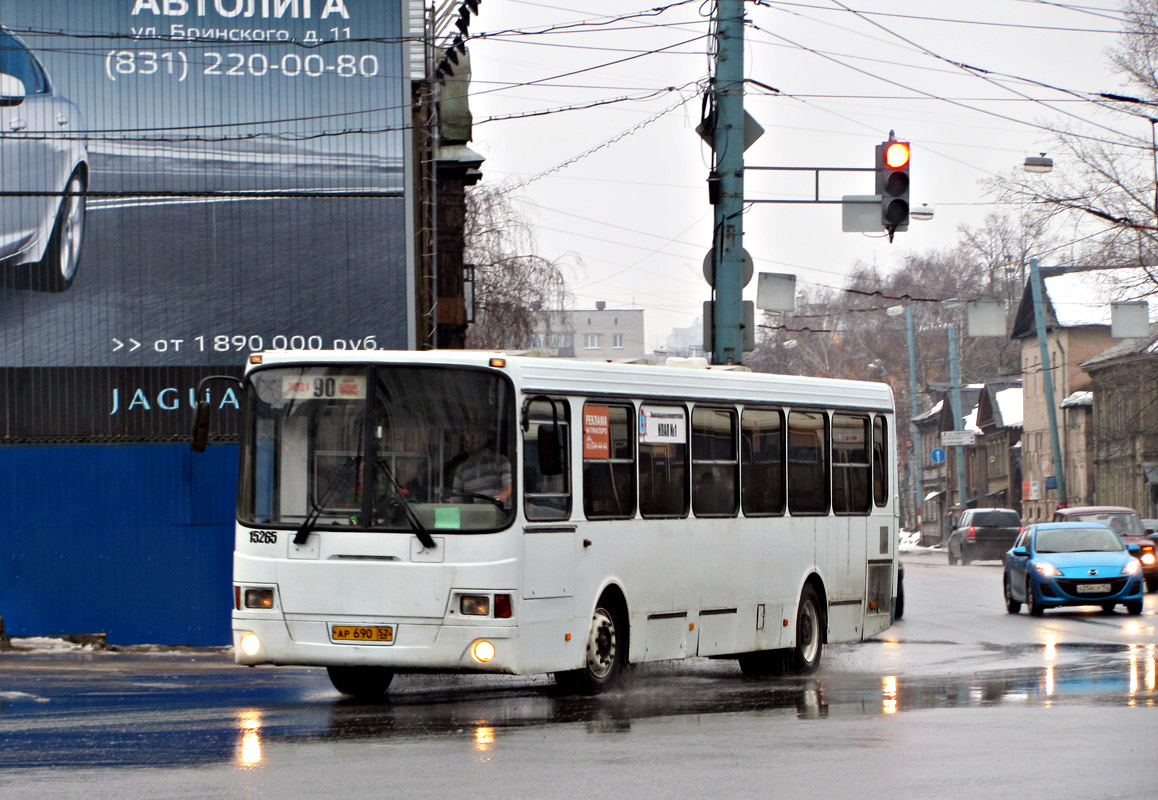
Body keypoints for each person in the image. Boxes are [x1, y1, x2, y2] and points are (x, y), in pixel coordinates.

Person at [451, 426, 512, 504]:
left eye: (473, 438)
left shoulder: (501, 461)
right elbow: (457, 497)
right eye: (465, 440)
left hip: (498, 511)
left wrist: (502, 497)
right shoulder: (461, 469)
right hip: (475, 513)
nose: (468, 443)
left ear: (484, 438)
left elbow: (508, 486)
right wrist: (451, 501)